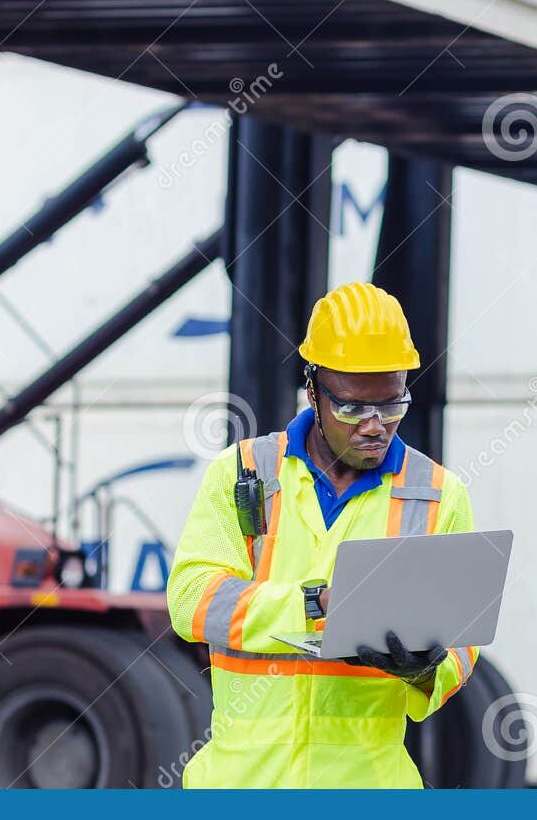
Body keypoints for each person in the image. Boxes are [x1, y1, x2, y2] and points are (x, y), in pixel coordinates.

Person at [168, 281, 478, 788]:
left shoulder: (439, 496)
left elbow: (462, 642)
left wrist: (426, 670)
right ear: (313, 389)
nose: (375, 426)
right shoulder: (243, 472)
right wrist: (315, 605)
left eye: (392, 405)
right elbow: (191, 600)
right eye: (353, 408)